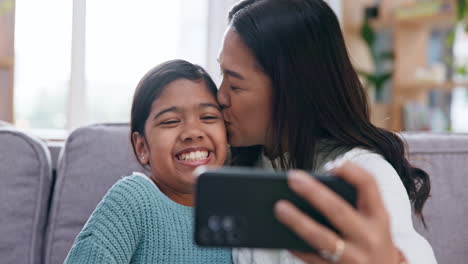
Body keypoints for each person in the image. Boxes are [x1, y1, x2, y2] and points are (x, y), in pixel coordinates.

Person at [217, 0, 437, 263]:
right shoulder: (233, 166)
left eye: (235, 84)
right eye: (221, 76)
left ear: (292, 90)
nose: (220, 97)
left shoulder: (363, 175)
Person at [64, 60, 232, 263]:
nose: (192, 133)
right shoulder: (133, 199)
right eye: (171, 121)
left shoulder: (236, 210)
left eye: (207, 117)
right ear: (142, 147)